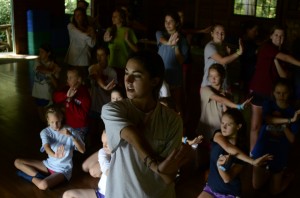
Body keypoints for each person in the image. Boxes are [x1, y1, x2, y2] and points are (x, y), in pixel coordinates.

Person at [101, 50, 192, 197]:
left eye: (137, 75)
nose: (128, 80)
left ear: (154, 81)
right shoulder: (112, 110)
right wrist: (156, 165)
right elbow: (131, 135)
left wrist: (162, 168)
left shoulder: (172, 120)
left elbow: (168, 178)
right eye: (126, 73)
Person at [197, 109, 272, 198]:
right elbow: (228, 147)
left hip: (229, 193)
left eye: (229, 124)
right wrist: (253, 161)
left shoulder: (243, 151)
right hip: (211, 188)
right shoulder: (218, 134)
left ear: (238, 126)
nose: (224, 127)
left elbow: (227, 179)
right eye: (222, 123)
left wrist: (220, 166)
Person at [249, 25, 300, 150]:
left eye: (282, 36)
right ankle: (253, 154)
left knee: (270, 125)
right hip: (259, 90)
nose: (279, 38)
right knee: (256, 125)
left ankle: (268, 153)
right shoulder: (267, 48)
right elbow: (286, 58)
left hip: (274, 95)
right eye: (276, 35)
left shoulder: (282, 53)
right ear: (271, 36)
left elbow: (284, 75)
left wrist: (276, 60)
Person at [14, 106, 85, 190]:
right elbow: (46, 147)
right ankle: (40, 176)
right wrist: (55, 155)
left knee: (43, 185)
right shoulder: (45, 132)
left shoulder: (70, 130)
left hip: (62, 169)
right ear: (47, 121)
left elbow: (82, 150)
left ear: (61, 118)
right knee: (17, 162)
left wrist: (71, 136)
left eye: (57, 122)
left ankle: (28, 175)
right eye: (52, 122)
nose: (55, 125)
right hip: (48, 164)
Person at [251, 78, 300, 195]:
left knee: (274, 192)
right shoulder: (268, 104)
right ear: (273, 93)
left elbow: (292, 139)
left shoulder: (294, 113)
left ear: (290, 93)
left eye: (285, 93)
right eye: (278, 93)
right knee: (256, 186)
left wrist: (284, 124)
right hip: (263, 150)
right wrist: (289, 120)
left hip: (279, 152)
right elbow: (268, 119)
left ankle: (288, 176)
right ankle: (269, 172)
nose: (281, 96)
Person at [198, 63, 252, 142]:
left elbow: (227, 113)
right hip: (206, 131)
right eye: (210, 76)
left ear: (222, 77)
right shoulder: (205, 89)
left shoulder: (227, 94)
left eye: (216, 76)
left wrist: (225, 100)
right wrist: (238, 106)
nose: (213, 79)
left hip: (220, 131)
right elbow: (219, 99)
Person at [82, 87, 125, 178]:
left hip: (117, 150)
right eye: (113, 99)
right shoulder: (109, 113)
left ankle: (111, 177)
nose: (115, 101)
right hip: (107, 148)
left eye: (119, 98)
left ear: (125, 99)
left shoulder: (127, 116)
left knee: (93, 172)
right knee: (84, 167)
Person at [156, 10, 189, 115]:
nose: (168, 24)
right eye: (166, 21)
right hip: (161, 76)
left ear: (177, 23)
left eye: (171, 21)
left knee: (176, 104)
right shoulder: (160, 34)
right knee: (160, 104)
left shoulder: (183, 41)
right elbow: (161, 40)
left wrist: (175, 45)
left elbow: (180, 60)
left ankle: (181, 127)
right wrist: (169, 43)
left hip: (174, 77)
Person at [62, 130, 111, 198]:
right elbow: (106, 169)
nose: (104, 146)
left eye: (107, 143)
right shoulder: (103, 152)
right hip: (101, 193)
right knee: (67, 195)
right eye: (103, 142)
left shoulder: (125, 158)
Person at [201, 24, 243, 91]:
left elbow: (225, 65)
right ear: (212, 34)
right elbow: (222, 61)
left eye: (222, 33)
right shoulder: (210, 47)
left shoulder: (224, 47)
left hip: (222, 85)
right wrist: (238, 53)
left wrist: (228, 55)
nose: (220, 35)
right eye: (217, 33)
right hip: (210, 85)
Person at [53, 67, 91, 141]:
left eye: (70, 78)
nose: (67, 80)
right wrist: (66, 96)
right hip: (69, 125)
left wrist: (69, 102)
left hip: (80, 127)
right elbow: (55, 97)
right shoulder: (67, 88)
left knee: (77, 146)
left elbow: (82, 116)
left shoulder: (85, 94)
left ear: (79, 80)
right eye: (67, 77)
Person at [88, 46, 117, 140]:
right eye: (97, 55)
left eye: (102, 55)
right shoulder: (92, 68)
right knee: (92, 131)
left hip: (105, 106)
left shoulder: (112, 72)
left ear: (108, 56)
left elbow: (110, 93)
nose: (99, 57)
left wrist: (106, 89)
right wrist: (104, 86)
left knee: (103, 133)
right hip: (93, 105)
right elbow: (95, 76)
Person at [103, 8, 138, 86]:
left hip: (124, 65)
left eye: (116, 16)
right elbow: (104, 40)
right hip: (111, 64)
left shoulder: (128, 31)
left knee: (123, 87)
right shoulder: (110, 29)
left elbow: (136, 50)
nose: (113, 18)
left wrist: (127, 40)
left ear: (122, 19)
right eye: (112, 16)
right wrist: (105, 40)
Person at [65, 7, 96, 83]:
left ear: (84, 16)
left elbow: (92, 44)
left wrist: (90, 34)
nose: (77, 17)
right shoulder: (71, 26)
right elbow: (79, 34)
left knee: (83, 82)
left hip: (84, 59)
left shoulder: (89, 28)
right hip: (73, 59)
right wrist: (88, 34)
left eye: (79, 15)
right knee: (71, 82)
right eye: (75, 15)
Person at [32, 43, 61, 122]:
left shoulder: (55, 66)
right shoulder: (37, 61)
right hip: (37, 93)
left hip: (46, 95)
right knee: (40, 113)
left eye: (42, 52)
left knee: (47, 117)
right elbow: (39, 68)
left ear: (48, 53)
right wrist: (50, 71)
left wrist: (50, 74)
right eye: (39, 52)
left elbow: (56, 85)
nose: (40, 54)